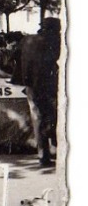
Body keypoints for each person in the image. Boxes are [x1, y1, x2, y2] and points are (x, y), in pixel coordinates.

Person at [17, 17, 61, 167]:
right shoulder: (53, 41)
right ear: (53, 29)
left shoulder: (27, 40)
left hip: (31, 86)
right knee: (54, 116)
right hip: (48, 85)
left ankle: (43, 155)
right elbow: (55, 60)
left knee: (38, 119)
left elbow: (15, 59)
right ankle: (55, 147)